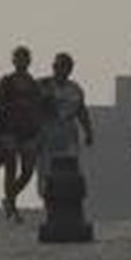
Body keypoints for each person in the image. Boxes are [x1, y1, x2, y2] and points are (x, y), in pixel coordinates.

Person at [0, 45, 44, 221]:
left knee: (28, 171)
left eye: (24, 58)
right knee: (10, 168)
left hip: (28, 132)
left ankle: (9, 199)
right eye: (18, 58)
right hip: (9, 131)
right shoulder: (7, 81)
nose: (21, 61)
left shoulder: (33, 84)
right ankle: (12, 209)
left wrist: (38, 130)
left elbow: (38, 107)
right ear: (13, 60)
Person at [36, 52, 94, 192]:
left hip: (68, 134)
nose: (62, 69)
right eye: (59, 66)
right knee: (46, 171)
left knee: (69, 167)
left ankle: (67, 196)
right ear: (54, 67)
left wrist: (88, 131)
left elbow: (81, 111)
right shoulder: (42, 85)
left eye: (66, 67)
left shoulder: (75, 89)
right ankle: (48, 197)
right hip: (47, 134)